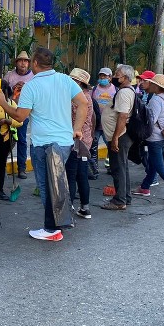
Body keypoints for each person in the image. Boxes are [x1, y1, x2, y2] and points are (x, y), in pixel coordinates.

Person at [0, 47, 89, 241]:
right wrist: (76, 128)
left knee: (47, 186)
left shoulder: (32, 86)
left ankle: (52, 229)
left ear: (35, 63)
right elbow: (83, 103)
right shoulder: (64, 79)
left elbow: (20, 115)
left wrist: (2, 102)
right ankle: (60, 221)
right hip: (64, 142)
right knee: (58, 183)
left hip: (44, 143)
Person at [131, 74, 164, 202]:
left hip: (155, 138)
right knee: (153, 164)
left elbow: (151, 120)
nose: (149, 85)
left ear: (157, 86)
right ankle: (144, 187)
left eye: (151, 83)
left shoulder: (156, 100)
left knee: (158, 165)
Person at [101, 64, 136, 210]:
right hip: (120, 135)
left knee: (118, 168)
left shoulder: (123, 93)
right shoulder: (125, 91)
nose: (115, 76)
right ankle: (125, 197)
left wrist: (115, 138)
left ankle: (120, 200)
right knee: (122, 167)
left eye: (117, 74)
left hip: (120, 136)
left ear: (126, 78)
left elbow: (123, 116)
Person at [66, 68, 95, 219]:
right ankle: (85, 208)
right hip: (85, 141)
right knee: (81, 175)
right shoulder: (88, 97)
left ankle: (68, 210)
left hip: (75, 141)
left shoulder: (77, 99)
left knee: (71, 175)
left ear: (78, 83)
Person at [3, 51, 34, 179]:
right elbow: (2, 91)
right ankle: (0, 166)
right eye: (21, 60)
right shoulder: (9, 76)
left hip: (24, 113)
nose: (23, 63)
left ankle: (22, 168)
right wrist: (13, 89)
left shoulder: (33, 77)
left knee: (21, 140)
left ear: (28, 64)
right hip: (9, 112)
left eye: (25, 61)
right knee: (4, 140)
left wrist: (25, 88)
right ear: (16, 63)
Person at [90, 67, 116, 174]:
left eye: (105, 76)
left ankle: (110, 166)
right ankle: (93, 168)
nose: (102, 78)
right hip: (96, 125)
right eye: (101, 76)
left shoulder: (116, 90)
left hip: (108, 125)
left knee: (111, 146)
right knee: (93, 148)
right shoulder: (94, 89)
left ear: (110, 77)